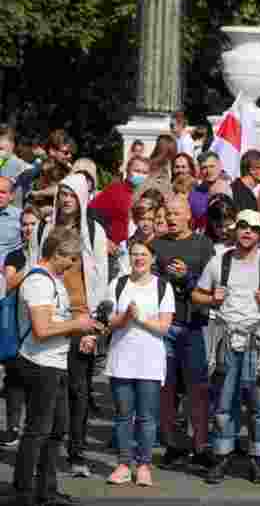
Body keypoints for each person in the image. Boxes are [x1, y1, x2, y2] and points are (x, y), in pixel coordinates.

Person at [193, 209, 260, 484]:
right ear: (235, 229)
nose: (248, 232)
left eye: (254, 229)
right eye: (243, 226)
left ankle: (257, 459)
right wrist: (212, 297)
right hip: (227, 339)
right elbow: (196, 295)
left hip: (259, 343)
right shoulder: (218, 262)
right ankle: (222, 456)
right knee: (224, 402)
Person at [13, 227, 99, 506]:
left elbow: (59, 322)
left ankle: (46, 489)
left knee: (56, 429)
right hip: (40, 364)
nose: (72, 264)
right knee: (37, 430)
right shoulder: (38, 281)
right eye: (70, 258)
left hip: (57, 362)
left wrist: (80, 332)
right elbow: (41, 329)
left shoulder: (55, 279)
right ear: (57, 253)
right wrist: (78, 324)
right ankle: (25, 491)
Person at [33, 173, 109, 478]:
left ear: (82, 199)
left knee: (79, 389)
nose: (66, 200)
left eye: (71, 194)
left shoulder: (94, 230)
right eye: (62, 193)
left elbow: (101, 279)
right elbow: (33, 267)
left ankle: (76, 453)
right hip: (50, 317)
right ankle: (45, 449)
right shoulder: (45, 228)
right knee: (50, 387)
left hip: (81, 319)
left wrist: (94, 326)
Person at [151, 195, 216, 470]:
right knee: (166, 390)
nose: (172, 218)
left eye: (177, 213)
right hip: (164, 324)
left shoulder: (203, 244)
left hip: (194, 324)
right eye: (168, 213)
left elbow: (212, 281)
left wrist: (188, 275)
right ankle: (172, 445)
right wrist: (166, 275)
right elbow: (146, 280)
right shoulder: (156, 244)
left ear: (189, 215)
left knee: (197, 389)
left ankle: (200, 446)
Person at [104, 240, 175, 487]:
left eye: (143, 254)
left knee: (146, 417)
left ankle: (144, 465)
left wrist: (141, 317)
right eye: (134, 254)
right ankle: (124, 464)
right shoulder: (118, 284)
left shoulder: (163, 287)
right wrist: (124, 317)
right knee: (123, 415)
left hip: (150, 361)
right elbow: (108, 322)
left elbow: (164, 327)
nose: (138, 258)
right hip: (121, 358)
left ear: (152, 258)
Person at [2, 205, 41, 446]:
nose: (27, 228)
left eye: (32, 224)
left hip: (42, 319)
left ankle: (34, 427)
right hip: (18, 321)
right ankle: (13, 426)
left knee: (38, 378)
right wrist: (30, 267)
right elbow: (9, 282)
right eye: (24, 224)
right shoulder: (15, 256)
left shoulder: (49, 252)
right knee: (14, 376)